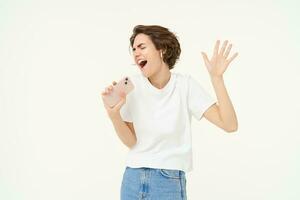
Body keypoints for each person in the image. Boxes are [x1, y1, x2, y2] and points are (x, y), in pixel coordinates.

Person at [101, 25, 238, 200]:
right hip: (132, 179)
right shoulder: (130, 85)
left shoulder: (185, 85)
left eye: (142, 47)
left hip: (168, 182)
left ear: (162, 50)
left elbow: (230, 124)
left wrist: (216, 78)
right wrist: (114, 116)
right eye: (134, 49)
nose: (136, 53)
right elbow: (131, 142)